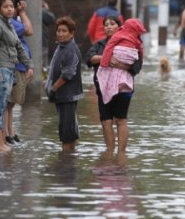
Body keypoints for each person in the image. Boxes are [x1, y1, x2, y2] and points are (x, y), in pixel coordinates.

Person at [0, 0, 34, 152]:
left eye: (11, 6)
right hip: (1, 70)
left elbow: (18, 47)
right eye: (6, 6)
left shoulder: (10, 25)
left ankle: (1, 140)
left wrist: (29, 65)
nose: (10, 9)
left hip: (9, 69)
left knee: (2, 104)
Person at [86, 17, 143, 153]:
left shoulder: (132, 43)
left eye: (112, 24)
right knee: (106, 121)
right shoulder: (99, 45)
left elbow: (136, 66)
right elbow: (89, 58)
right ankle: (109, 153)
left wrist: (119, 64)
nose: (108, 27)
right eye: (106, 25)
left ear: (120, 27)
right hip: (102, 87)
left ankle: (121, 153)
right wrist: (106, 57)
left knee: (120, 120)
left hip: (123, 88)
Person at [46, 16, 84, 151]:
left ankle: (66, 161)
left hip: (67, 95)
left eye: (64, 31)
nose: (61, 34)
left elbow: (68, 74)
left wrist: (53, 89)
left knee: (67, 131)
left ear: (71, 33)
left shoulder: (70, 49)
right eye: (58, 31)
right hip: (63, 96)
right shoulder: (62, 46)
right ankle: (68, 159)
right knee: (68, 129)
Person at [5, 0, 32, 144]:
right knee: (8, 102)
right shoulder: (11, 22)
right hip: (15, 66)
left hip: (21, 65)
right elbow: (29, 30)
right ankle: (7, 133)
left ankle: (10, 132)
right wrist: (22, 12)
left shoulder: (14, 22)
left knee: (11, 103)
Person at [41, 0, 56, 65]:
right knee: (43, 65)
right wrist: (46, 9)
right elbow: (52, 19)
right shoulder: (41, 12)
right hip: (42, 42)